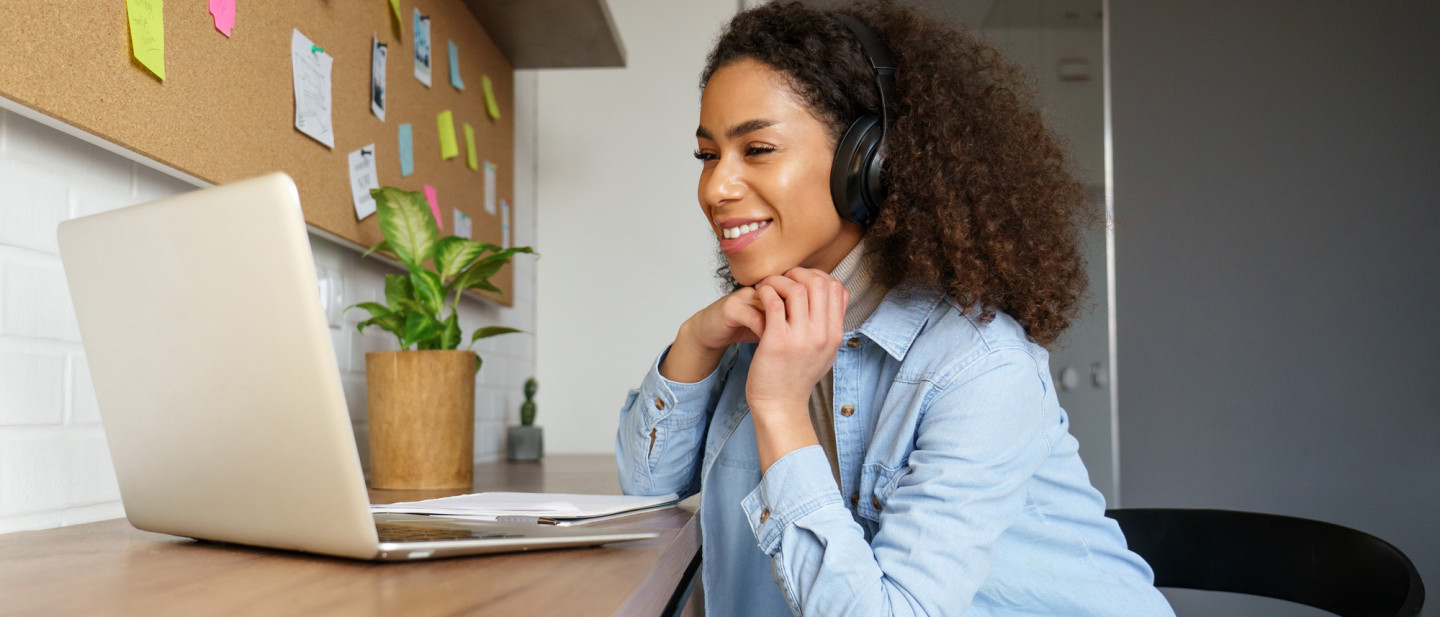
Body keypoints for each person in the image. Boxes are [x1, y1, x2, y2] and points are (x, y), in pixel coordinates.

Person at [616, 2, 1175, 615]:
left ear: (867, 162)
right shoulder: (762, 326)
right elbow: (648, 492)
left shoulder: (980, 368)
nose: (715, 188)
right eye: (707, 156)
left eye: (757, 149)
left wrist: (777, 408)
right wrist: (695, 343)